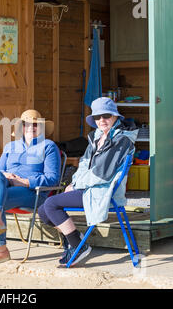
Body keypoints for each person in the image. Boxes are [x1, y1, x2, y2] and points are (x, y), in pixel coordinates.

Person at [37, 97, 138, 267]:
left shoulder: (121, 140)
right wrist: (73, 183)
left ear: (115, 117)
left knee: (51, 204)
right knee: (43, 211)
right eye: (97, 117)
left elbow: (102, 174)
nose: (102, 120)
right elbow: (83, 165)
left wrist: (76, 185)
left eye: (106, 115)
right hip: (89, 188)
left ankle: (78, 246)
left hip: (104, 191)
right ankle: (74, 241)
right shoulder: (96, 138)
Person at [0, 109, 61, 269]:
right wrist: (7, 176)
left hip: (33, 193)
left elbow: (52, 178)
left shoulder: (48, 146)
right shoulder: (10, 147)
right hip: (8, 188)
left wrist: (25, 181)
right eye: (26, 124)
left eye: (36, 124)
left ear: (41, 128)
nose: (31, 127)